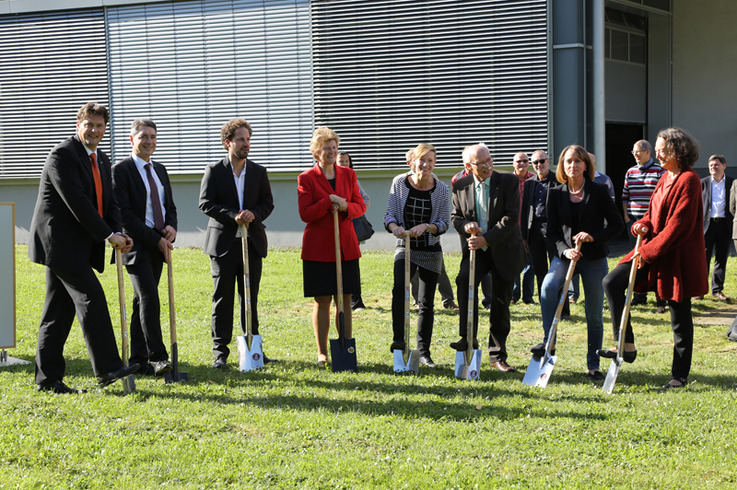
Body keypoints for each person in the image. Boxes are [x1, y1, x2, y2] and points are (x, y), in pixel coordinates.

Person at [28, 102, 139, 393]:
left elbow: (109, 202)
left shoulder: (101, 159)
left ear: (105, 129)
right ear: (78, 125)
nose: (94, 130)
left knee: (58, 312)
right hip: (59, 244)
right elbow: (78, 203)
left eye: (99, 126)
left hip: (79, 244)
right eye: (88, 124)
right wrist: (107, 235)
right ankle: (108, 368)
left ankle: (47, 379)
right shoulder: (62, 155)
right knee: (91, 296)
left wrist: (118, 232)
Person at [600, 127, 708, 389]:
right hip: (652, 248)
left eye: (662, 149)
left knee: (679, 314)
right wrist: (642, 224)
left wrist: (645, 254)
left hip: (676, 257)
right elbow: (653, 213)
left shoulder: (689, 179)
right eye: (657, 149)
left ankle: (679, 375)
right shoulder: (664, 177)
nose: (657, 154)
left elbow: (677, 227)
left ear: (677, 150)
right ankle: (626, 344)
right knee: (612, 282)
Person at [531, 145, 623, 380]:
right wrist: (565, 251)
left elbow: (616, 226)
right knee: (548, 288)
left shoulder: (599, 191)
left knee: (593, 313)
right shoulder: (556, 192)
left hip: (593, 258)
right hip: (565, 256)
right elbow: (550, 232)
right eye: (568, 161)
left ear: (586, 165)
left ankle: (593, 364)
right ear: (562, 165)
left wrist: (593, 236)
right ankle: (548, 344)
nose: (572, 165)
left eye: (577, 161)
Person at [199, 118, 275, 369]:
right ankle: (220, 353)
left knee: (249, 298)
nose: (246, 144)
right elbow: (205, 203)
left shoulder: (258, 171)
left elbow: (267, 203)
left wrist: (254, 214)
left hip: (251, 243)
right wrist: (234, 215)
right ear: (227, 143)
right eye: (241, 139)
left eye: (248, 139)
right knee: (222, 299)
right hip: (222, 244)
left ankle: (253, 349)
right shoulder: (214, 170)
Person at [450, 143, 526, 373]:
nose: (487, 165)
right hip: (476, 251)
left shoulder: (509, 182)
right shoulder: (460, 186)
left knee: (500, 302)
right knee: (464, 281)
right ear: (468, 166)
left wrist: (487, 238)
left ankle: (497, 355)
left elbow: (510, 218)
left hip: (504, 249)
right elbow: (456, 217)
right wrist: (466, 225)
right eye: (481, 163)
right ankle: (468, 338)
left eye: (489, 160)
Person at [112, 119, 177, 376]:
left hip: (159, 244)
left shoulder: (160, 169)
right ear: (132, 139)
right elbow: (124, 215)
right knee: (150, 296)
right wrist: (155, 240)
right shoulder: (121, 170)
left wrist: (171, 227)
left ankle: (138, 358)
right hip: (134, 246)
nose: (149, 141)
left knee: (142, 300)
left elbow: (169, 205)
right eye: (143, 137)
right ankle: (159, 357)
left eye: (152, 136)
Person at [298, 127, 366, 368]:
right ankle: (322, 352)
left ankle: (345, 346)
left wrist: (345, 206)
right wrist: (328, 202)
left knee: (345, 299)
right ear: (317, 151)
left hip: (346, 246)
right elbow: (305, 213)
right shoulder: (306, 178)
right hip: (319, 248)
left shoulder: (348, 175)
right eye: (326, 147)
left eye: (334, 147)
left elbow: (360, 206)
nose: (331, 151)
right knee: (322, 300)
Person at [384, 143, 450, 368]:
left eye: (430, 160)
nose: (425, 164)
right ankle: (399, 342)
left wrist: (427, 226)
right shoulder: (399, 183)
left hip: (430, 249)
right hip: (405, 246)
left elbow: (444, 223)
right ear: (412, 161)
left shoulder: (441, 189)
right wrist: (394, 227)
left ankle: (423, 352)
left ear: (434, 163)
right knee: (399, 292)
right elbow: (390, 215)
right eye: (422, 160)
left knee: (426, 303)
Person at [621, 140, 666, 307]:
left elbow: (662, 198)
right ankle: (639, 296)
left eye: (638, 152)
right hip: (633, 223)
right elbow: (625, 196)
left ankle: (660, 297)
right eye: (633, 152)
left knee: (655, 259)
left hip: (653, 224)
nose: (635, 155)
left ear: (648, 152)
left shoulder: (660, 171)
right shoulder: (630, 171)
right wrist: (626, 217)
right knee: (636, 259)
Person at [520, 150, 559, 300]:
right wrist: (524, 237)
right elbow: (525, 211)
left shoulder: (558, 180)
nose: (539, 165)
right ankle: (546, 303)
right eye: (535, 162)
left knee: (557, 268)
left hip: (553, 229)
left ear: (548, 161)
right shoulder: (530, 183)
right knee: (539, 269)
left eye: (541, 161)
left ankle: (562, 309)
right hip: (534, 230)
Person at [338, 151, 370, 311]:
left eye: (346, 161)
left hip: (350, 229)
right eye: (341, 161)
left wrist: (349, 206)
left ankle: (356, 302)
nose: (344, 164)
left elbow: (366, 201)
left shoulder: (352, 179)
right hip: (330, 232)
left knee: (352, 266)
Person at [701, 154, 733, 302]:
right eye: (711, 165)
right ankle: (700, 290)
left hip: (725, 225)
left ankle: (717, 290)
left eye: (716, 165)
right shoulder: (703, 183)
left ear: (724, 166)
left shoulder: (732, 183)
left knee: (721, 258)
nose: (713, 168)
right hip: (707, 225)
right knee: (703, 259)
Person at [512, 152, 536, 304]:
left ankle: (528, 297)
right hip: (513, 229)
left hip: (530, 228)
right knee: (514, 263)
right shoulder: (508, 180)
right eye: (519, 161)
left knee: (530, 264)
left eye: (525, 161)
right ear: (513, 163)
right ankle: (514, 296)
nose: (522, 163)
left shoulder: (534, 179)